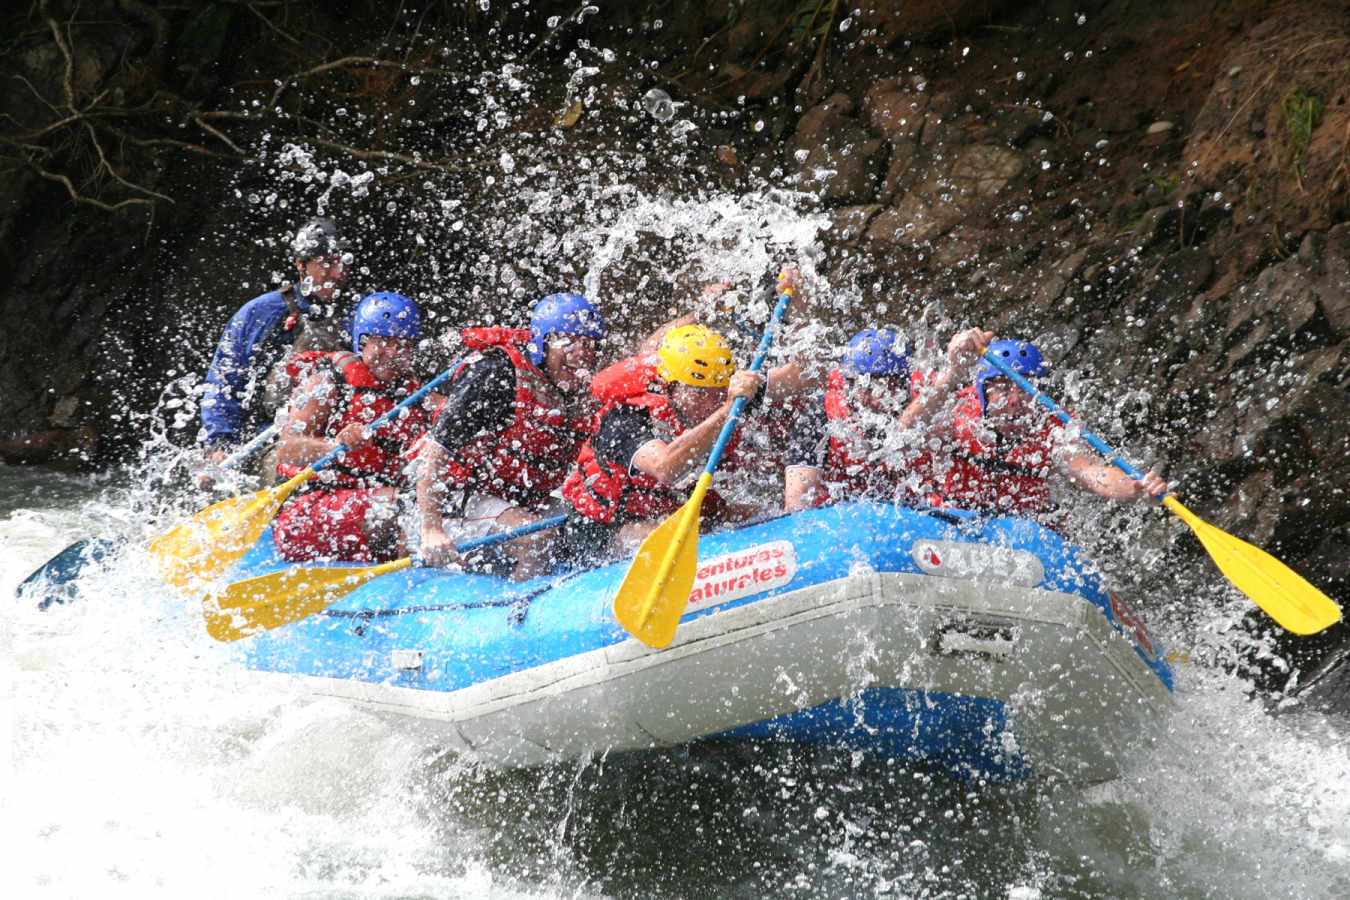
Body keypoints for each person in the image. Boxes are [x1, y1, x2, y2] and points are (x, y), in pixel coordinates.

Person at [558, 324, 793, 568]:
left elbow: (802, 378)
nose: (710, 403)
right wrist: (726, 411)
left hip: (676, 514)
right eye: (699, 393)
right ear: (667, 385)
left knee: (761, 512)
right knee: (668, 532)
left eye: (718, 392)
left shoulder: (732, 397)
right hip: (603, 529)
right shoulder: (626, 418)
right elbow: (665, 468)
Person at [414, 293, 605, 580]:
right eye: (567, 341)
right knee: (538, 539)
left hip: (523, 499)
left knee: (592, 525)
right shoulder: (495, 374)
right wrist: (431, 528)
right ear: (542, 343)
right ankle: (521, 599)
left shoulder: (584, 389)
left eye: (588, 344)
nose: (580, 354)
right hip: (457, 500)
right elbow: (435, 451)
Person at [913, 331, 1167, 522]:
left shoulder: (1054, 429)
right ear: (983, 392)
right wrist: (954, 372)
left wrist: (1136, 489)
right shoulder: (957, 413)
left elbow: (1094, 473)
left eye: (1025, 389)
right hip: (949, 521)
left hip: (1023, 536)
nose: (1016, 401)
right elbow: (906, 433)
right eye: (1003, 388)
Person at [271, 292, 428, 562]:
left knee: (431, 500)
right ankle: (409, 575)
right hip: (305, 514)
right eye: (384, 342)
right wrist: (336, 445)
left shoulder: (415, 394)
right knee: (409, 503)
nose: (393, 353)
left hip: (368, 507)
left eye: (404, 345)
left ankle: (413, 567)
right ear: (362, 341)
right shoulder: (327, 383)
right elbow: (286, 448)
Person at [199, 217, 351, 464]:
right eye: (327, 263)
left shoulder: (359, 314)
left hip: (337, 441)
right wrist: (219, 444)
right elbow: (223, 383)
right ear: (301, 265)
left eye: (343, 262)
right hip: (269, 444)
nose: (338, 273)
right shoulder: (260, 313)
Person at [784, 327, 926, 511]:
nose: (877, 400)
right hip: (836, 519)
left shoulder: (927, 412)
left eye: (889, 388)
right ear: (849, 387)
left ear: (905, 388)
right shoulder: (817, 420)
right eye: (867, 388)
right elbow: (796, 506)